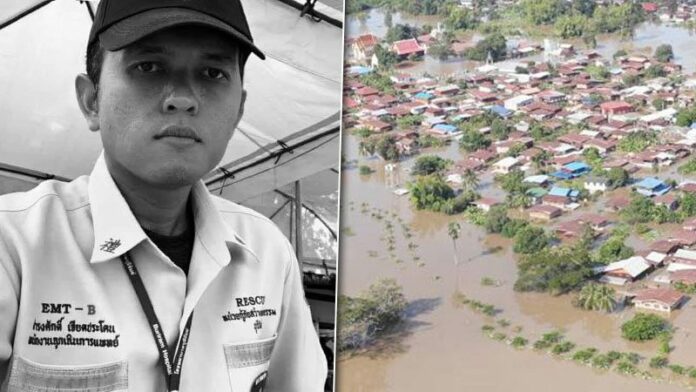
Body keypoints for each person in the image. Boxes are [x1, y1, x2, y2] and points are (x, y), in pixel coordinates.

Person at [0, 0, 327, 391]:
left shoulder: (267, 252)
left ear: (239, 110)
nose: (183, 98)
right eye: (148, 67)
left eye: (212, 72)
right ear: (91, 101)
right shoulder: (15, 246)